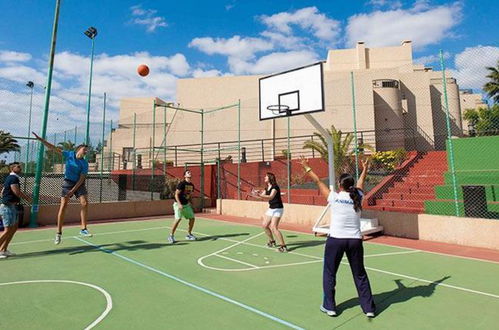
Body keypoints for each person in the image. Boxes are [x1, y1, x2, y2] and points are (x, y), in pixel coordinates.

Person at [300, 156, 376, 318]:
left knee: (330, 273)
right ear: (351, 186)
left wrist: (306, 166)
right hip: (355, 240)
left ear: (340, 185)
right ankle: (368, 308)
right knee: (360, 274)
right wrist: (365, 169)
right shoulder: (358, 196)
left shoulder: (334, 197)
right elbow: (361, 183)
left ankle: (330, 307)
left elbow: (318, 181)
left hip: (336, 240)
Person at [32, 132, 92, 245]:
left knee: (84, 203)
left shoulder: (84, 163)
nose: (86, 151)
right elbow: (53, 148)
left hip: (78, 184)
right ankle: (58, 233)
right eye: (85, 149)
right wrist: (41, 140)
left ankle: (83, 229)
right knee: (63, 206)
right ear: (79, 149)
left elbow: (81, 178)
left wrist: (73, 191)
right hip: (67, 182)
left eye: (87, 150)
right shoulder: (69, 154)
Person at [0, 162, 32, 259]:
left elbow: (2, 192)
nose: (20, 168)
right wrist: (27, 198)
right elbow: (16, 192)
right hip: (7, 207)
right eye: (18, 167)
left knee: (13, 228)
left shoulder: (11, 178)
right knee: (7, 230)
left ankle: (3, 250)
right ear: (12, 168)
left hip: (11, 206)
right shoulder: (13, 178)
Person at [252, 172, 287, 252]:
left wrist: (260, 195)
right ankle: (272, 241)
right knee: (264, 225)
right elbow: (261, 198)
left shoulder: (275, 187)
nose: (264, 177)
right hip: (271, 208)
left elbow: (270, 197)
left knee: (274, 228)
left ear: (270, 178)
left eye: (266, 177)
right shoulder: (266, 187)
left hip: (278, 208)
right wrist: (254, 195)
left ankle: (283, 246)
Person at [168, 170, 197, 243]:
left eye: (190, 172)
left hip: (186, 205)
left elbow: (189, 196)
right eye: (188, 172)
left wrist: (192, 204)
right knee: (178, 219)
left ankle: (189, 234)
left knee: (192, 218)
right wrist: (179, 204)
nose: (190, 173)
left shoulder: (192, 185)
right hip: (178, 204)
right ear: (185, 176)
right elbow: (176, 194)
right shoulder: (182, 184)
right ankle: (171, 236)